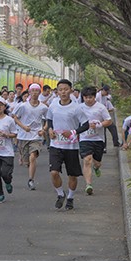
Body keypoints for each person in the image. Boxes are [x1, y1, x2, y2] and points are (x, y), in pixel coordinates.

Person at [46, 79, 89, 210]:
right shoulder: (53, 105)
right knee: (54, 172)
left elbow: (86, 124)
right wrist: (50, 129)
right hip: (55, 145)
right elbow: (49, 119)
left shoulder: (76, 108)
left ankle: (70, 197)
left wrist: (73, 132)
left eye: (66, 89)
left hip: (71, 146)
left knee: (72, 175)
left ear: (71, 90)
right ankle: (60, 194)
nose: (63, 92)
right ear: (57, 91)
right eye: (60, 89)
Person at [13, 83, 49, 190]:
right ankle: (28, 166)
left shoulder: (43, 107)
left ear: (39, 92)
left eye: (36, 91)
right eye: (32, 91)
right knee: (27, 161)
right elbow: (15, 117)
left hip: (36, 136)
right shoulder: (23, 106)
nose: (34, 93)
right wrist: (24, 127)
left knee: (33, 156)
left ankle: (31, 180)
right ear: (29, 92)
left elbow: (48, 120)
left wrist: (43, 130)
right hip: (24, 136)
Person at [80, 86, 113, 195]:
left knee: (97, 162)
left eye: (90, 97)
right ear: (83, 97)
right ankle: (88, 185)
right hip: (84, 138)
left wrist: (99, 125)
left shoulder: (100, 107)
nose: (88, 99)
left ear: (94, 97)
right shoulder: (79, 108)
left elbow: (109, 121)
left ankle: (97, 167)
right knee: (87, 160)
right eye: (86, 97)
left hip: (98, 139)